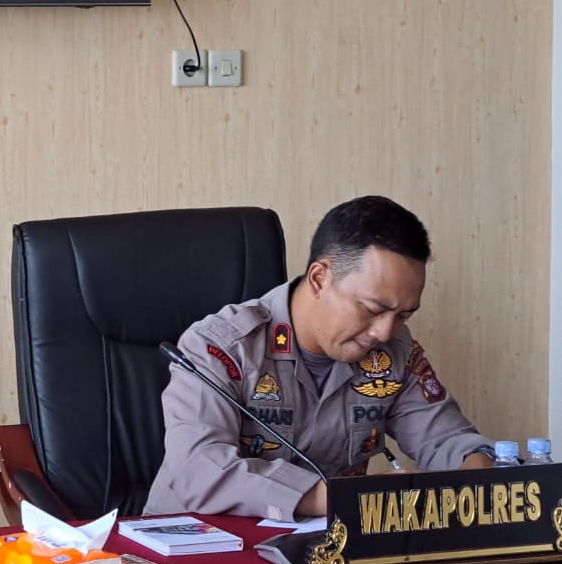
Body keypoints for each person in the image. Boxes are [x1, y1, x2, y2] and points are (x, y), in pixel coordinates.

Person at [144, 196, 496, 521]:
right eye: (373, 309)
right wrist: (343, 499)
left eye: (403, 316)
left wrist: (474, 478)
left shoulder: (393, 353)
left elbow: (446, 439)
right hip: (195, 547)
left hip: (323, 550)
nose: (384, 332)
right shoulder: (221, 347)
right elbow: (200, 472)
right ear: (319, 278)